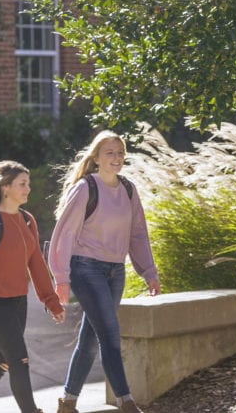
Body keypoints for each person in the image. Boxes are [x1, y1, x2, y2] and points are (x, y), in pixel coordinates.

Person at [48, 131, 161, 413]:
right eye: (110, 153)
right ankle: (127, 401)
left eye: (120, 153)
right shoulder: (86, 188)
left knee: (89, 339)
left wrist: (148, 270)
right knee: (110, 334)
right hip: (86, 268)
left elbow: (138, 234)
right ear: (96, 158)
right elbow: (64, 235)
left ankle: (68, 401)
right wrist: (61, 278)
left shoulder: (128, 189)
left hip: (115, 271)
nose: (116, 158)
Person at [0, 160, 65, 413]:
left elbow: (36, 263)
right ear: (5, 188)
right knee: (19, 360)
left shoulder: (27, 220)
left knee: (0, 361)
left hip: (18, 303)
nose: (28, 188)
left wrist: (51, 301)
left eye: (28, 183)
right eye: (22, 184)